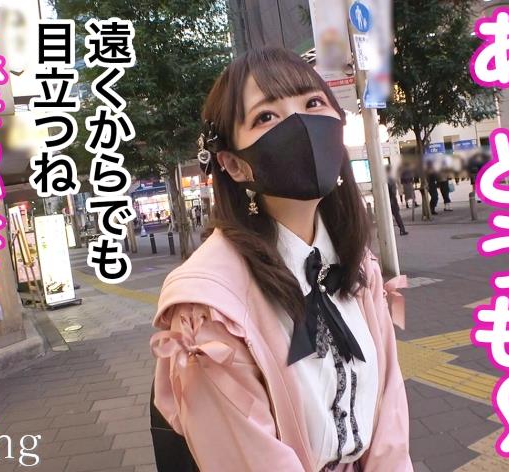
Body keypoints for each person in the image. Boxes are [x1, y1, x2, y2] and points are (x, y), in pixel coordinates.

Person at [150, 48, 412, 472]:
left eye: (313, 102)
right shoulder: (210, 309)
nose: (302, 125)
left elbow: (390, 418)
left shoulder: (358, 267)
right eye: (266, 116)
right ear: (233, 164)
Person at [388, 166, 408, 235]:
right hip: (392, 200)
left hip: (388, 200)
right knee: (397, 215)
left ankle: (382, 232)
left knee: (388, 217)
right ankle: (402, 230)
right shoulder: (391, 179)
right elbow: (393, 191)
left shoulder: (385, 179)